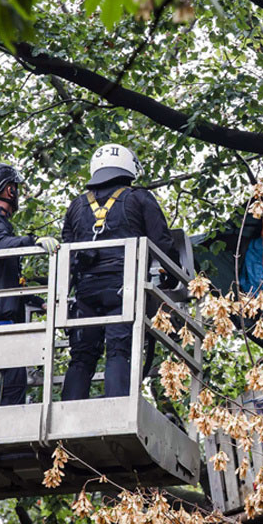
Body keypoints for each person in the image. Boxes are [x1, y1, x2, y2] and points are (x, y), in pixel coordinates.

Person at [60, 143, 178, 401]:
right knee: (118, 350)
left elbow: (65, 253)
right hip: (123, 289)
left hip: (85, 292)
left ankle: (67, 416)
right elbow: (163, 243)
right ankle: (117, 408)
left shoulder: (76, 206)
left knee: (81, 355)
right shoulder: (139, 198)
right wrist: (172, 276)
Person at [0, 162, 59, 408]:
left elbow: (2, 282)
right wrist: (33, 241)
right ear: (9, 190)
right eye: (15, 188)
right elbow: (0, 245)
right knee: (0, 387)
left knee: (6, 384)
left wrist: (38, 302)